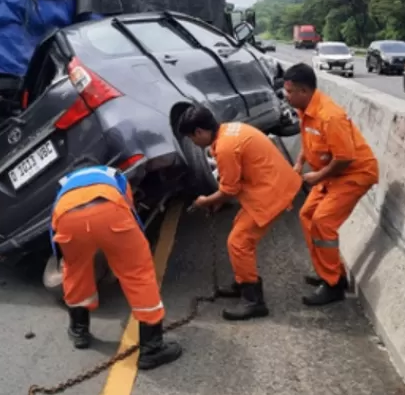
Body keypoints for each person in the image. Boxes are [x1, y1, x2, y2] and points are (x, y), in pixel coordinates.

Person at [50, 165, 182, 371]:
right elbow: (129, 212)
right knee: (138, 273)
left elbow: (54, 223)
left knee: (75, 271)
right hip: (109, 210)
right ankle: (152, 349)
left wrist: (64, 255)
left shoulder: (65, 183)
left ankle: (79, 331)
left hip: (68, 218)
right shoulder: (115, 175)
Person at [178, 105, 303, 320]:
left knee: (239, 242)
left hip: (271, 192)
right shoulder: (230, 131)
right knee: (239, 231)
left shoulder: (226, 147)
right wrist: (216, 202)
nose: (194, 143)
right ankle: (243, 281)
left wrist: (205, 201)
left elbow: (229, 190)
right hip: (271, 185)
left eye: (192, 138)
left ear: (200, 131)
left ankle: (253, 300)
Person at [282, 63, 379, 306]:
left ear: (303, 91)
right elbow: (309, 140)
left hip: (354, 173)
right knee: (307, 215)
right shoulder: (307, 109)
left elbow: (345, 158)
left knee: (323, 222)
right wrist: (299, 163)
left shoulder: (329, 116)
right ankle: (328, 272)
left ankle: (334, 285)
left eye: (289, 91)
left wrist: (318, 176)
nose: (286, 96)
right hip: (332, 175)